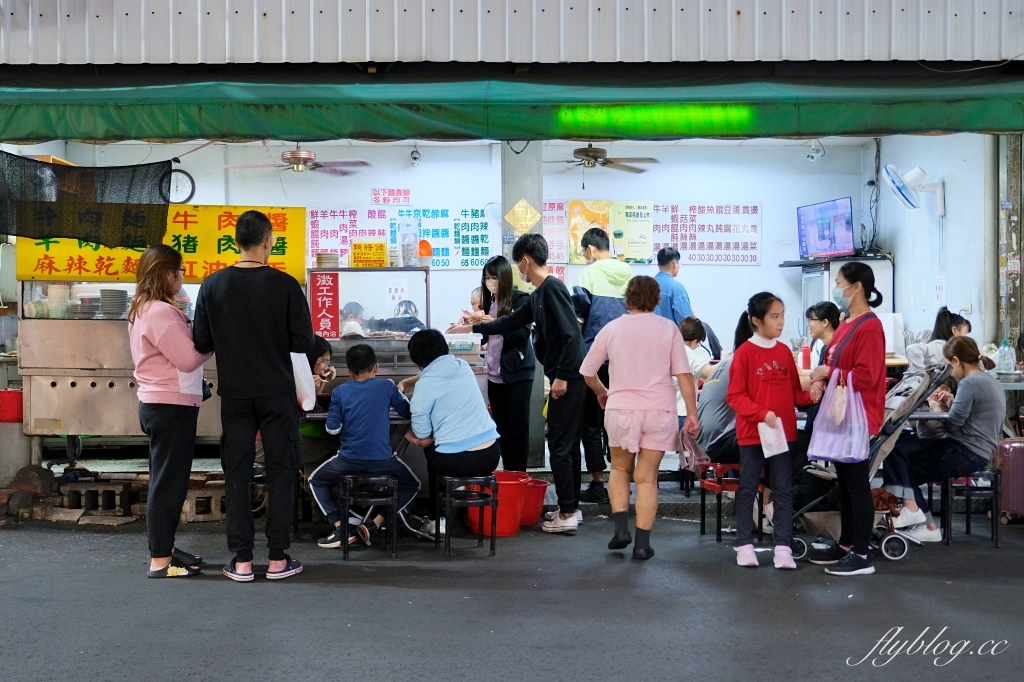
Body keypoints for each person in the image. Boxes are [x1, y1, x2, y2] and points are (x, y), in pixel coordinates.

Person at [193, 210, 315, 583]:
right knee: (280, 471)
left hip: (235, 396)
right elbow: (303, 342)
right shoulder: (286, 285)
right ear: (268, 241)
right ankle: (278, 559)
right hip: (277, 394)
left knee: (238, 472)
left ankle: (242, 561)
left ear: (235, 242)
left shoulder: (212, 286)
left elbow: (201, 342)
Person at [449, 233, 587, 534]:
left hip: (569, 377)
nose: (518, 271)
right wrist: (474, 326)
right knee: (566, 445)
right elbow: (508, 322)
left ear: (525, 260)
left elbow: (570, 336)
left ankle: (567, 511)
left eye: (518, 264)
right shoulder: (538, 294)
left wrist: (562, 376)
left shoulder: (552, 289)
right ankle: (571, 506)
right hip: (562, 375)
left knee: (561, 445)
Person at [580, 276, 698, 560]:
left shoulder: (612, 328)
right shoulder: (669, 329)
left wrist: (601, 391)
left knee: (620, 469)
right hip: (659, 411)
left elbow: (586, 370)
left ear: (627, 299)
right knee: (647, 478)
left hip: (621, 409)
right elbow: (683, 374)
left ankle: (621, 529)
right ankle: (642, 544)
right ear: (657, 299)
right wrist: (692, 413)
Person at [128, 245, 211, 578]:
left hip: (160, 404)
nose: (183, 275)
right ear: (165, 273)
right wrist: (213, 339)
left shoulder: (145, 308)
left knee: (166, 481)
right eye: (178, 270)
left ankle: (166, 546)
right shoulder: (160, 313)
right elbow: (189, 358)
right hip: (170, 406)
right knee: (169, 484)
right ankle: (161, 560)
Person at [883, 337, 1005, 542]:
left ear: (956, 361)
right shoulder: (988, 380)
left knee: (896, 454)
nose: (949, 371)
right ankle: (923, 521)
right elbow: (966, 417)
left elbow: (953, 424)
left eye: (949, 365)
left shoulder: (969, 383)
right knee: (900, 458)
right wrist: (952, 403)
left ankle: (920, 519)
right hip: (974, 450)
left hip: (965, 450)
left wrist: (938, 407)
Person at [807, 262, 887, 577]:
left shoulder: (869, 326)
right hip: (842, 412)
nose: (837, 290)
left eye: (840, 283)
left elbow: (867, 376)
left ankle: (862, 554)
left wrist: (830, 373)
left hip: (857, 415)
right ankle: (847, 544)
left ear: (856, 287)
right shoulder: (847, 323)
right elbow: (830, 358)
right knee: (846, 482)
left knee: (855, 484)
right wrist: (821, 378)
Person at [727, 292, 813, 570]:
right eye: (774, 317)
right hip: (753, 434)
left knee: (783, 490)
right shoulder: (744, 354)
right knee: (748, 487)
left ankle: (783, 547)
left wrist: (815, 393)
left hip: (782, 434)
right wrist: (761, 413)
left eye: (782, 316)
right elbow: (735, 396)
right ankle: (744, 544)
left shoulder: (785, 352)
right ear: (756, 320)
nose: (781, 322)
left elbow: (796, 395)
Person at [308, 344, 419, 549]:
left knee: (316, 481)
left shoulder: (340, 391)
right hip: (384, 462)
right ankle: (375, 524)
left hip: (347, 461)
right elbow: (409, 413)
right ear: (376, 368)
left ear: (349, 372)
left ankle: (341, 527)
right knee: (413, 484)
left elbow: (332, 429)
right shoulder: (387, 386)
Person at [403, 330, 501, 536]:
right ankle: (453, 508)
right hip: (490, 454)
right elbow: (435, 373)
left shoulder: (424, 387)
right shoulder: (462, 367)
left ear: (417, 358)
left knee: (431, 452)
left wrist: (411, 436)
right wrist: (407, 382)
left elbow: (422, 435)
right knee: (440, 448)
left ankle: (436, 519)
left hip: (455, 461)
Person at [573, 227, 633, 504]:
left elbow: (579, 321)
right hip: (624, 360)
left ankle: (598, 483)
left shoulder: (587, 274)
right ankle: (621, 478)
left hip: (594, 360)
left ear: (589, 250)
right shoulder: (630, 274)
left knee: (590, 423)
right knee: (619, 422)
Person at [462, 256, 537, 472]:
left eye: (493, 277)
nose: (489, 282)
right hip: (494, 373)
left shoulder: (520, 300)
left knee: (517, 428)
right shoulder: (489, 303)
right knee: (501, 427)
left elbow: (522, 334)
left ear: (504, 277)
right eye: (486, 278)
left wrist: (493, 323)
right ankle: (509, 472)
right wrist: (473, 324)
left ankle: (519, 474)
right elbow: (488, 339)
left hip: (518, 373)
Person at [299, 336, 340, 471]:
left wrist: (322, 379)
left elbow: (313, 400)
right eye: (323, 361)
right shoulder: (298, 380)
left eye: (328, 361)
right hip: (293, 438)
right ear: (310, 358)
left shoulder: (307, 377)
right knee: (344, 443)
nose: (326, 365)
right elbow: (307, 406)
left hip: (300, 433)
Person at [696, 358, 740, 465]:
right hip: (718, 444)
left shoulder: (726, 363)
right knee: (776, 444)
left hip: (703, 442)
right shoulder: (742, 365)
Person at [906, 307, 971, 372]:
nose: (966, 336)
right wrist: (920, 375)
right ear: (954, 331)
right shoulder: (940, 346)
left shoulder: (947, 347)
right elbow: (912, 349)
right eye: (965, 332)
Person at [676, 317, 713, 427]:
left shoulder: (668, 348)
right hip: (682, 413)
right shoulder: (686, 352)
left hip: (664, 413)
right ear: (694, 341)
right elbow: (712, 372)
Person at [653, 247, 694, 325]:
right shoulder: (676, 288)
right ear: (674, 264)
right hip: (670, 336)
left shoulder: (646, 286)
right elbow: (686, 323)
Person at [805, 301, 841, 367]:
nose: (808, 324)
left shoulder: (839, 349)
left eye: (811, 320)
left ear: (825, 322)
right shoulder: (824, 348)